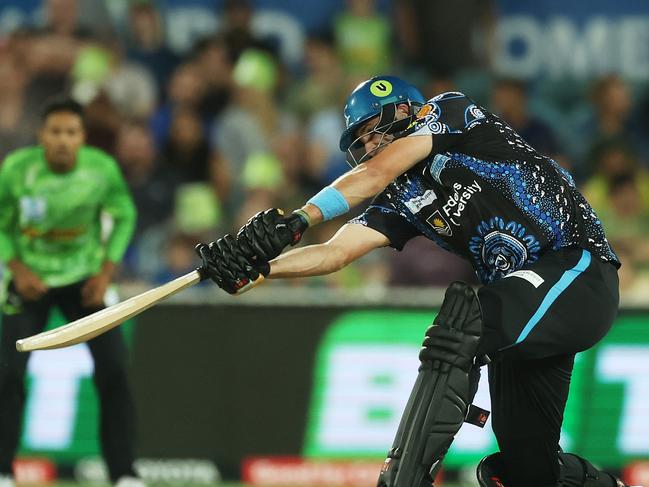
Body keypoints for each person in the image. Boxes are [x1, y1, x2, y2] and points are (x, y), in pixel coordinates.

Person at [196, 76, 627, 487]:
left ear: (402, 109)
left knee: (464, 321)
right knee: (525, 474)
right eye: (360, 142)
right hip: (524, 311)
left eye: (370, 132)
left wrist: (298, 218)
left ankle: (403, 479)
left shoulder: (449, 111)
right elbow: (336, 252)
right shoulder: (402, 197)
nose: (367, 146)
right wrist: (261, 268)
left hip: (579, 269)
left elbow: (372, 175)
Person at [0, 98, 144, 487]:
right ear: (41, 136)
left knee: (114, 372)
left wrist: (106, 272)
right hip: (30, 281)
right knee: (7, 375)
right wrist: (16, 268)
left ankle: (125, 474)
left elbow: (125, 215)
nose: (63, 141)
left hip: (86, 283)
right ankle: (2, 473)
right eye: (55, 132)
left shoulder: (101, 170)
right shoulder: (16, 171)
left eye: (71, 133)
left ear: (82, 138)